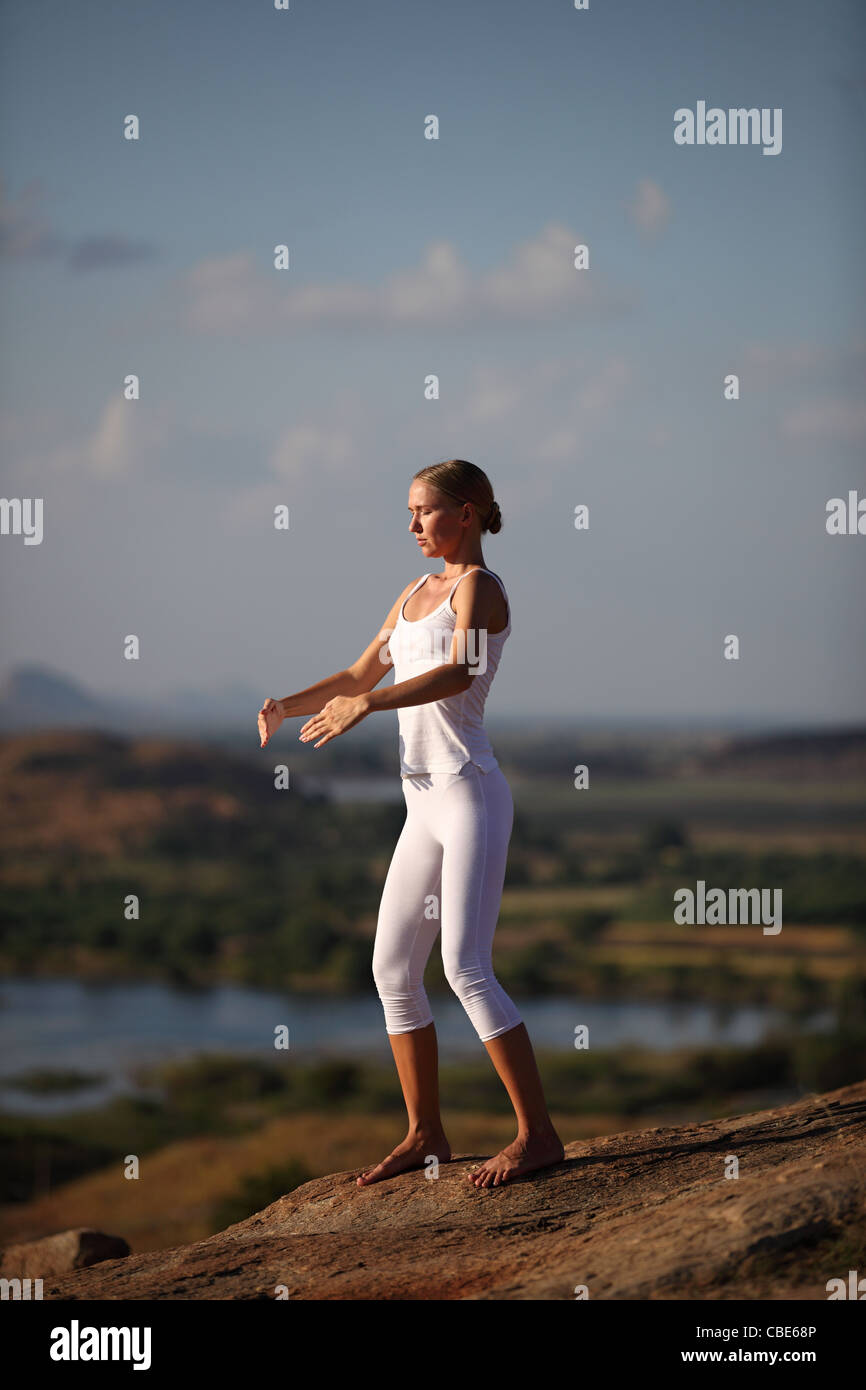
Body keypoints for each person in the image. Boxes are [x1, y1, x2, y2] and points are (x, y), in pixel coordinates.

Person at [258, 459, 564, 1188]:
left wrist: (374, 704)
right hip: (420, 803)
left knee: (465, 967)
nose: (412, 524)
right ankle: (426, 1134)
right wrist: (286, 703)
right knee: (393, 969)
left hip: (469, 795)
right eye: (409, 511)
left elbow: (459, 671)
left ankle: (539, 1136)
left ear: (465, 512)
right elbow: (361, 675)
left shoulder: (479, 590)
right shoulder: (411, 593)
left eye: (423, 511)